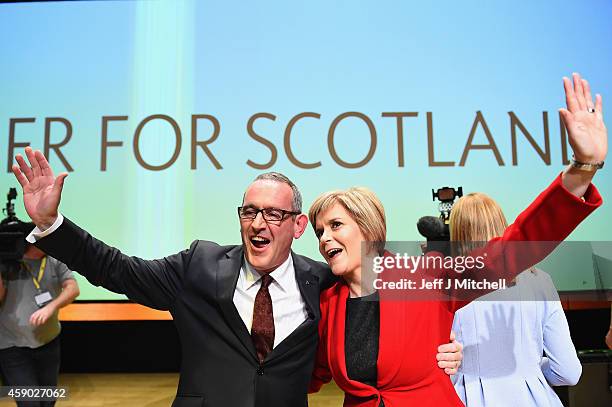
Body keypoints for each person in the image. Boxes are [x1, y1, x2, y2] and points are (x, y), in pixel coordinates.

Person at [8, 165, 460, 406]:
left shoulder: (322, 279)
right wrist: (51, 225)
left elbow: (377, 317)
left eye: (274, 214)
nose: (258, 223)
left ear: (298, 225)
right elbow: (117, 269)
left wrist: (445, 347)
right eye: (249, 211)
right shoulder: (198, 266)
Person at [307, 73, 606, 407]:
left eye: (335, 225)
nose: (324, 238)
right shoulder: (327, 303)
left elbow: (512, 250)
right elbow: (304, 373)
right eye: (319, 231)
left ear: (369, 229)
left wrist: (582, 170)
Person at [449, 192, 582, 407]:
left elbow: (444, 369)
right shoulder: (541, 282)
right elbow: (568, 372)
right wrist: (530, 368)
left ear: (456, 235)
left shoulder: (448, 288)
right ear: (503, 226)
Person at [0, 222, 80, 407]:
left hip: (48, 342)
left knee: (47, 400)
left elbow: (73, 288)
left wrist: (51, 307)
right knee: (30, 403)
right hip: (13, 347)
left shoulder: (55, 259)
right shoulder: (8, 261)